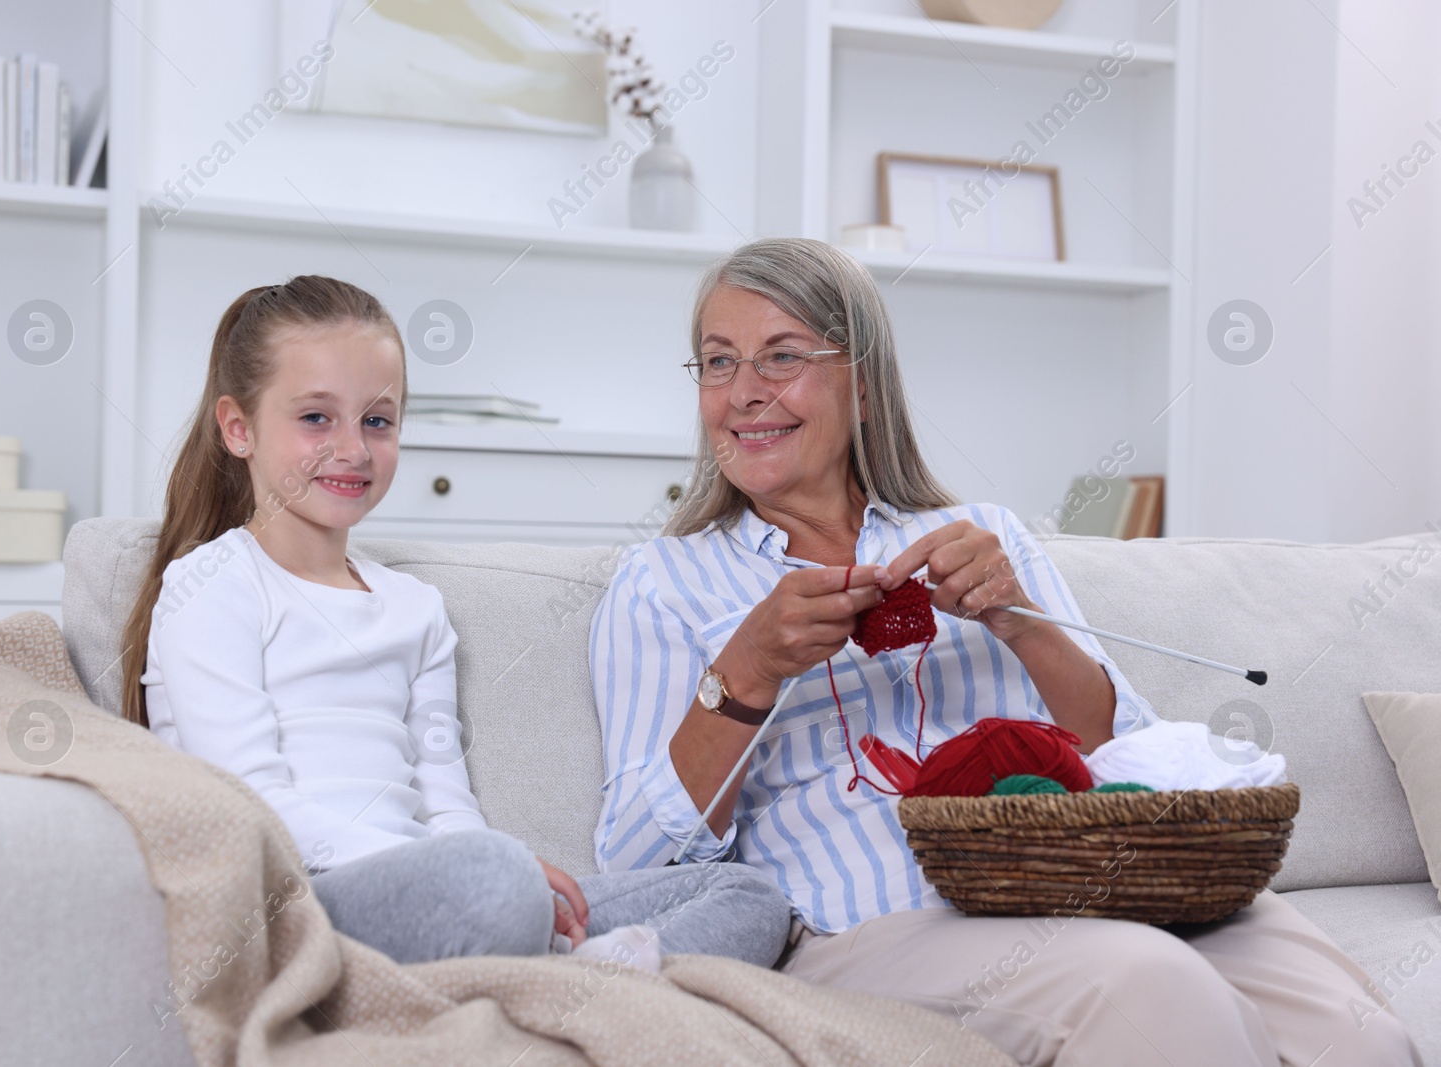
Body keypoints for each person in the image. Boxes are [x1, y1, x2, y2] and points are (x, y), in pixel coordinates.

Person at [589, 238, 1423, 1065]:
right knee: (1150, 988)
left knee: (1362, 1036)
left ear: (867, 387)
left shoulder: (982, 534)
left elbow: (1120, 746)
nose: (744, 393)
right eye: (718, 362)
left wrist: (1019, 617)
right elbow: (632, 861)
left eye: (782, 356)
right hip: (873, 927)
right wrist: (746, 673)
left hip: (1094, 875)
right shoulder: (664, 580)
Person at [117, 275, 791, 969]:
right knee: (495, 882)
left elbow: (446, 800)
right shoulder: (213, 584)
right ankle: (559, 968)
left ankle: (579, 973)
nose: (352, 448)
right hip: (297, 896)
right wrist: (493, 870)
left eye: (377, 420)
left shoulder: (415, 607)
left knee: (749, 894)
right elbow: (257, 808)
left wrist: (490, 864)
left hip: (439, 888)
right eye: (316, 417)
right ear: (238, 428)